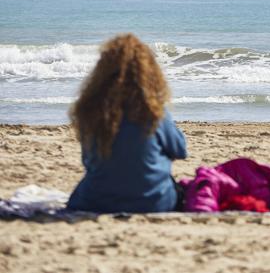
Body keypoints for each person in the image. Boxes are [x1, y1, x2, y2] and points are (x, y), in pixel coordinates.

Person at [67, 33, 187, 213]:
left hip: (95, 201)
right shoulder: (154, 112)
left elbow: (88, 160)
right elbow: (180, 150)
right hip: (154, 202)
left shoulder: (89, 111)